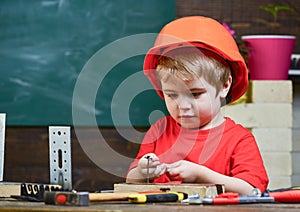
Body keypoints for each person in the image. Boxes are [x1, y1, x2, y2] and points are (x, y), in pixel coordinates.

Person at [126, 16, 269, 195]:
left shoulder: (239, 139)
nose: (183, 106)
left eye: (195, 94)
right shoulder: (159, 130)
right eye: (172, 95)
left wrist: (201, 175)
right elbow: (131, 179)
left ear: (225, 86)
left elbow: (251, 190)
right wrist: (142, 171)